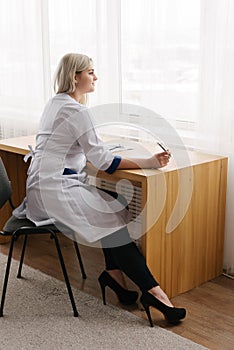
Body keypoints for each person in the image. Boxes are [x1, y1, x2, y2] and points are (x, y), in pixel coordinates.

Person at [13, 53, 186, 327]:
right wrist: (149, 162)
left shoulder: (56, 102)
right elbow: (104, 162)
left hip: (42, 187)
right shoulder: (76, 110)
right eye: (91, 72)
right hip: (55, 192)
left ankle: (113, 275)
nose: (96, 77)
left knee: (115, 201)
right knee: (113, 221)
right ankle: (155, 292)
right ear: (75, 77)